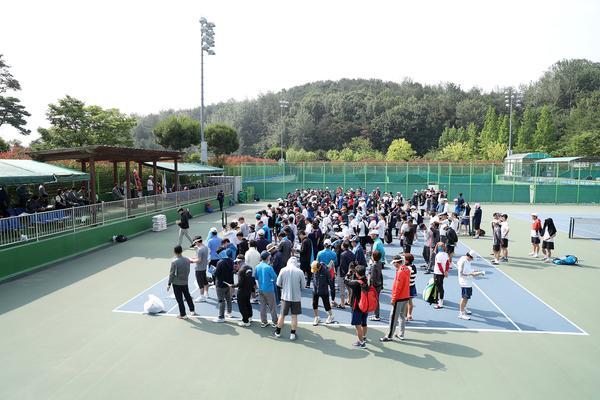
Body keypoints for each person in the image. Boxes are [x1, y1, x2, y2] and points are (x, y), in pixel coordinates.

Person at [380, 254, 410, 342]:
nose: (394, 265)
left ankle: (389, 336)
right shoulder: (407, 269)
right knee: (402, 316)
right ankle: (401, 334)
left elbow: (398, 287)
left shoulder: (400, 272)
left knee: (393, 317)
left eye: (394, 263)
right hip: (406, 296)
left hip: (399, 298)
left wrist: (393, 299)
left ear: (397, 262)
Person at [273, 257, 305, 341]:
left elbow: (278, 284)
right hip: (296, 297)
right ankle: (292, 335)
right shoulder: (300, 272)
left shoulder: (283, 270)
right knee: (294, 316)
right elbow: (303, 286)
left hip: (285, 297)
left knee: (282, 315)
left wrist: (285, 286)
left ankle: (278, 332)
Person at [167, 245, 197, 319]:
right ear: (181, 251)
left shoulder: (174, 262)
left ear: (174, 252)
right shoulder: (187, 259)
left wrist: (169, 284)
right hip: (185, 281)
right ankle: (192, 310)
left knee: (179, 299)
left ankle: (183, 314)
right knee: (187, 296)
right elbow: (188, 270)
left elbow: (172, 274)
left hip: (176, 283)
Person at [344, 264, 369, 348]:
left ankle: (361, 342)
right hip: (365, 305)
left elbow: (346, 281)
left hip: (357, 307)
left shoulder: (356, 283)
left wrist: (348, 273)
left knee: (357, 325)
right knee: (364, 323)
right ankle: (364, 337)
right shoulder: (368, 280)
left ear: (357, 273)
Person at [457, 252, 485, 320]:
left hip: (468, 282)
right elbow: (462, 274)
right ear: (470, 257)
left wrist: (474, 271)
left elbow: (467, 270)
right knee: (464, 298)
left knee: (467, 297)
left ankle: (464, 308)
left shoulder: (465, 259)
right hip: (465, 282)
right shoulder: (463, 261)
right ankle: (461, 313)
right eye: (472, 259)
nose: (472, 260)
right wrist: (474, 274)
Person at [255, 250, 279, 327]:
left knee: (262, 306)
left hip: (261, 289)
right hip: (269, 290)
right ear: (268, 258)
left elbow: (256, 277)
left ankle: (264, 322)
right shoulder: (269, 267)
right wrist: (270, 281)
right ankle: (275, 322)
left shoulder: (257, 266)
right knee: (272, 307)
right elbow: (275, 278)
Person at [231, 256, 256, 327]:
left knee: (242, 306)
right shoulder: (249, 268)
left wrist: (232, 285)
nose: (236, 264)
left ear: (239, 262)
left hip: (242, 291)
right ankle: (250, 317)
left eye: (237, 263)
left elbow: (240, 284)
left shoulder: (241, 271)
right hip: (248, 290)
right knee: (247, 303)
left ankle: (245, 321)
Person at [213, 247, 234, 323]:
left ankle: (221, 317)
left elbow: (216, 274)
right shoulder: (231, 261)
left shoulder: (220, 262)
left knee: (221, 301)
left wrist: (213, 271)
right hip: (228, 284)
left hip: (220, 285)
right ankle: (229, 313)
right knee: (228, 299)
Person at [311, 261, 335, 325]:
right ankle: (316, 317)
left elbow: (330, 281)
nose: (314, 271)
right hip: (315, 290)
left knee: (326, 305)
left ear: (319, 267)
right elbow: (314, 279)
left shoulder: (326, 271)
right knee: (314, 304)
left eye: (315, 270)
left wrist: (333, 292)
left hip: (324, 291)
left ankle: (330, 315)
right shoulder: (315, 270)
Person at [190, 236, 209, 302]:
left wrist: (191, 261)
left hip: (199, 269)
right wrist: (195, 258)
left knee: (200, 284)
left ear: (197, 241)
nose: (195, 244)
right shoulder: (205, 247)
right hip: (204, 267)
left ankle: (202, 297)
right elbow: (201, 257)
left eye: (195, 242)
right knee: (205, 281)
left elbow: (199, 260)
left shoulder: (199, 249)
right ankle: (206, 293)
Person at [432, 242, 449, 309]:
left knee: (440, 288)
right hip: (442, 274)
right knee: (439, 286)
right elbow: (447, 263)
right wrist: (446, 271)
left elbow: (439, 265)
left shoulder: (438, 255)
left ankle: (440, 303)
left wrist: (443, 272)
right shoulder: (446, 254)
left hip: (438, 273)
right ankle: (438, 299)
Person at [369, 249, 384, 321]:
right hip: (379, 284)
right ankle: (376, 314)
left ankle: (376, 316)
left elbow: (372, 277)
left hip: (375, 286)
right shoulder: (379, 263)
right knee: (376, 300)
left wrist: (370, 286)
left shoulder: (374, 265)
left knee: (375, 301)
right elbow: (380, 274)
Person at [406, 253, 417, 321]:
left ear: (407, 261)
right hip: (412, 286)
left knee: (405, 302)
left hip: (407, 287)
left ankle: (405, 315)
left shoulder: (408, 268)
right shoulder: (414, 266)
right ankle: (409, 314)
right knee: (410, 301)